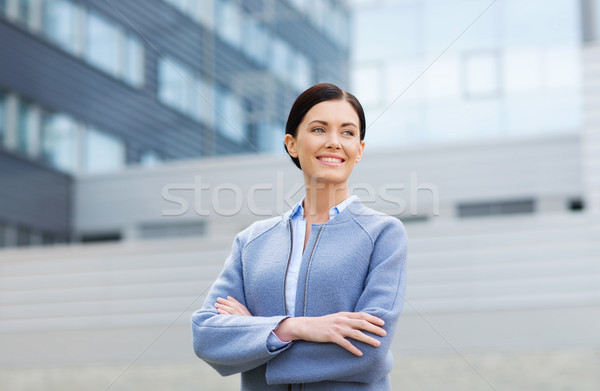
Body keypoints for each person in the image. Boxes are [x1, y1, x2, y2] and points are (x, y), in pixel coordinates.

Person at [191, 83, 408, 390]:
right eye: (319, 129)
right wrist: (297, 327)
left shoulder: (382, 235)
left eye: (347, 133)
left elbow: (368, 352)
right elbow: (207, 336)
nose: (334, 142)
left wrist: (255, 336)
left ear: (359, 150)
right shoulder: (252, 241)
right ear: (292, 144)